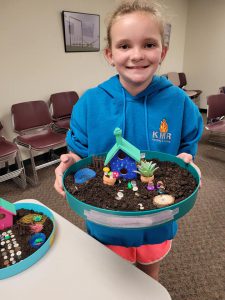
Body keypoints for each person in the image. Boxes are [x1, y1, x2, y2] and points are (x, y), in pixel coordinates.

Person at [54, 0, 203, 281]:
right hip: (107, 221)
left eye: (149, 44)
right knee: (111, 277)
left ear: (163, 51)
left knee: (149, 275)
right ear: (110, 54)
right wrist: (69, 162)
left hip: (157, 220)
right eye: (124, 46)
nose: (137, 55)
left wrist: (187, 160)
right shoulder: (89, 103)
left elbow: (186, 148)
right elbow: (80, 157)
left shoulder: (179, 102)